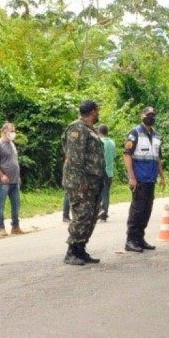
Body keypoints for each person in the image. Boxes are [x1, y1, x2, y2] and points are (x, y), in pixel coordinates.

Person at [61, 100, 106, 266]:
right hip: (81, 181)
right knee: (82, 215)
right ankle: (71, 251)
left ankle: (80, 249)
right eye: (97, 110)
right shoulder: (77, 128)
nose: (98, 113)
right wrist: (81, 180)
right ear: (93, 111)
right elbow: (74, 157)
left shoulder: (90, 129)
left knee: (91, 216)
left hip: (93, 181)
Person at [123, 106, 165, 253]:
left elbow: (158, 158)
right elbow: (127, 155)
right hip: (139, 179)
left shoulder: (157, 136)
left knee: (147, 210)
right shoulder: (135, 133)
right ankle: (131, 240)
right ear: (142, 116)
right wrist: (131, 177)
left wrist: (162, 177)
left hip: (151, 179)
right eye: (148, 115)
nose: (151, 117)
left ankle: (140, 239)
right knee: (137, 210)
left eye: (153, 115)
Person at [63, 124, 117, 224]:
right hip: (107, 172)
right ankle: (102, 213)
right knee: (104, 194)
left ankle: (67, 215)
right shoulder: (111, 143)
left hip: (91, 172)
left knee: (72, 193)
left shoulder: (95, 142)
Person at [0, 122, 24, 237]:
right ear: (4, 132)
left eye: (14, 131)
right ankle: (1, 228)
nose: (14, 133)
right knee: (0, 204)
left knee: (16, 204)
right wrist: (2, 175)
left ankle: (15, 227)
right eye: (12, 131)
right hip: (3, 182)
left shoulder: (12, 144)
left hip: (14, 181)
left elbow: (14, 161)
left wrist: (18, 176)